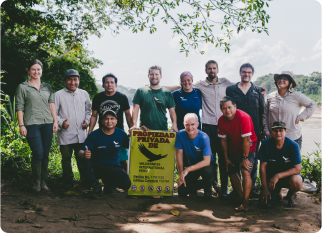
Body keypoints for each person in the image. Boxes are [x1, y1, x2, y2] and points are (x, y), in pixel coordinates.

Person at [15, 59, 58, 192]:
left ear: (41, 70)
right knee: (38, 152)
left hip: (47, 124)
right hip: (32, 124)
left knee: (45, 153)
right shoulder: (23, 87)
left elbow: (51, 105)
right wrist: (21, 125)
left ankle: (43, 183)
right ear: (29, 71)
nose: (36, 72)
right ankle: (36, 183)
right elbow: (19, 107)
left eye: (38, 69)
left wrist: (55, 121)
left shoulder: (47, 87)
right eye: (33, 69)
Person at [226, 63, 265, 198]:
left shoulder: (258, 91)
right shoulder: (231, 90)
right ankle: (236, 190)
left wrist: (263, 130)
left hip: (254, 134)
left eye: (249, 72)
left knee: (252, 162)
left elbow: (262, 112)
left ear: (252, 74)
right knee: (234, 160)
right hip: (236, 133)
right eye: (244, 72)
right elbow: (228, 110)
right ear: (240, 73)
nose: (246, 74)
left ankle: (251, 189)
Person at [79, 110, 131, 199]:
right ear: (102, 121)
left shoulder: (121, 134)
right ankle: (96, 187)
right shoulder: (94, 134)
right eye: (106, 119)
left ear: (116, 121)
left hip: (113, 166)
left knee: (126, 184)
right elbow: (80, 151)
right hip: (97, 166)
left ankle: (108, 183)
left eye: (112, 119)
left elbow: (132, 145)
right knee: (83, 161)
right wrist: (84, 154)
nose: (109, 121)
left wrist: (139, 132)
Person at [218, 96, 257, 211]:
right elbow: (223, 140)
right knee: (230, 169)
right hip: (234, 146)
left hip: (248, 147)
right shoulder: (221, 120)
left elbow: (246, 140)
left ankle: (246, 202)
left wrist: (245, 158)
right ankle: (240, 195)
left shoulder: (244, 117)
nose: (227, 110)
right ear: (221, 110)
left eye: (229, 107)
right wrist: (226, 158)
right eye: (224, 108)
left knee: (245, 171)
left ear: (235, 106)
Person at [54, 69, 92, 185]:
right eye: (69, 79)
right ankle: (68, 180)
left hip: (80, 133)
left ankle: (84, 180)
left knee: (81, 157)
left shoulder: (84, 94)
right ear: (65, 80)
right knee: (66, 158)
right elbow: (54, 113)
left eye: (75, 79)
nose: (72, 82)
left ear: (78, 80)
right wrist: (61, 123)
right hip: (65, 134)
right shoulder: (58, 95)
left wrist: (87, 121)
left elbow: (89, 111)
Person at [89, 73, 132, 172]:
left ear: (116, 85)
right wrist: (90, 131)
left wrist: (131, 129)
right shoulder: (97, 98)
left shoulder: (122, 97)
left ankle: (124, 180)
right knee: (105, 158)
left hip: (119, 132)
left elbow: (128, 115)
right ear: (103, 85)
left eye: (112, 82)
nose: (109, 84)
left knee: (122, 158)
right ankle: (107, 181)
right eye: (107, 82)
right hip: (103, 133)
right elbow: (94, 116)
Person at [263, 71, 317, 150]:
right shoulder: (270, 97)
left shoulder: (297, 96)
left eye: (285, 79)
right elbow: (265, 115)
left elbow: (312, 104)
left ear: (290, 83)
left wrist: (300, 117)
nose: (282, 80)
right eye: (280, 78)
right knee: (274, 162)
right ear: (276, 81)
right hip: (274, 137)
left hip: (293, 137)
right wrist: (266, 131)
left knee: (293, 162)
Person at [259, 121, 302, 207]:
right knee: (265, 204)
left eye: (281, 130)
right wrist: (265, 188)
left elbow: (297, 169)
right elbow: (262, 167)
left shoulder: (293, 145)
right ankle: (277, 192)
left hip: (287, 177)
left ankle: (290, 196)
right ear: (271, 132)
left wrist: (278, 176)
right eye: (275, 130)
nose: (278, 133)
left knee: (297, 181)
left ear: (286, 132)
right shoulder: (265, 144)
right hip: (271, 179)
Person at [175, 113, 214, 201]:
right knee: (182, 191)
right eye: (187, 125)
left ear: (197, 124)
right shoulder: (180, 134)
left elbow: (206, 161)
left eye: (192, 124)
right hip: (193, 166)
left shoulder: (204, 137)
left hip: (206, 166)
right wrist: (181, 175)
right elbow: (179, 155)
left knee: (207, 170)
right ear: (184, 124)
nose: (190, 127)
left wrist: (187, 169)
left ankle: (208, 187)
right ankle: (204, 184)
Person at [130, 66, 178, 132]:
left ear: (160, 76)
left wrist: (174, 125)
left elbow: (172, 111)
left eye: (156, 74)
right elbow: (135, 109)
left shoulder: (167, 93)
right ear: (148, 76)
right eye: (152, 74)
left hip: (162, 130)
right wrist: (134, 124)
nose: (154, 77)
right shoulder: (140, 91)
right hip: (144, 130)